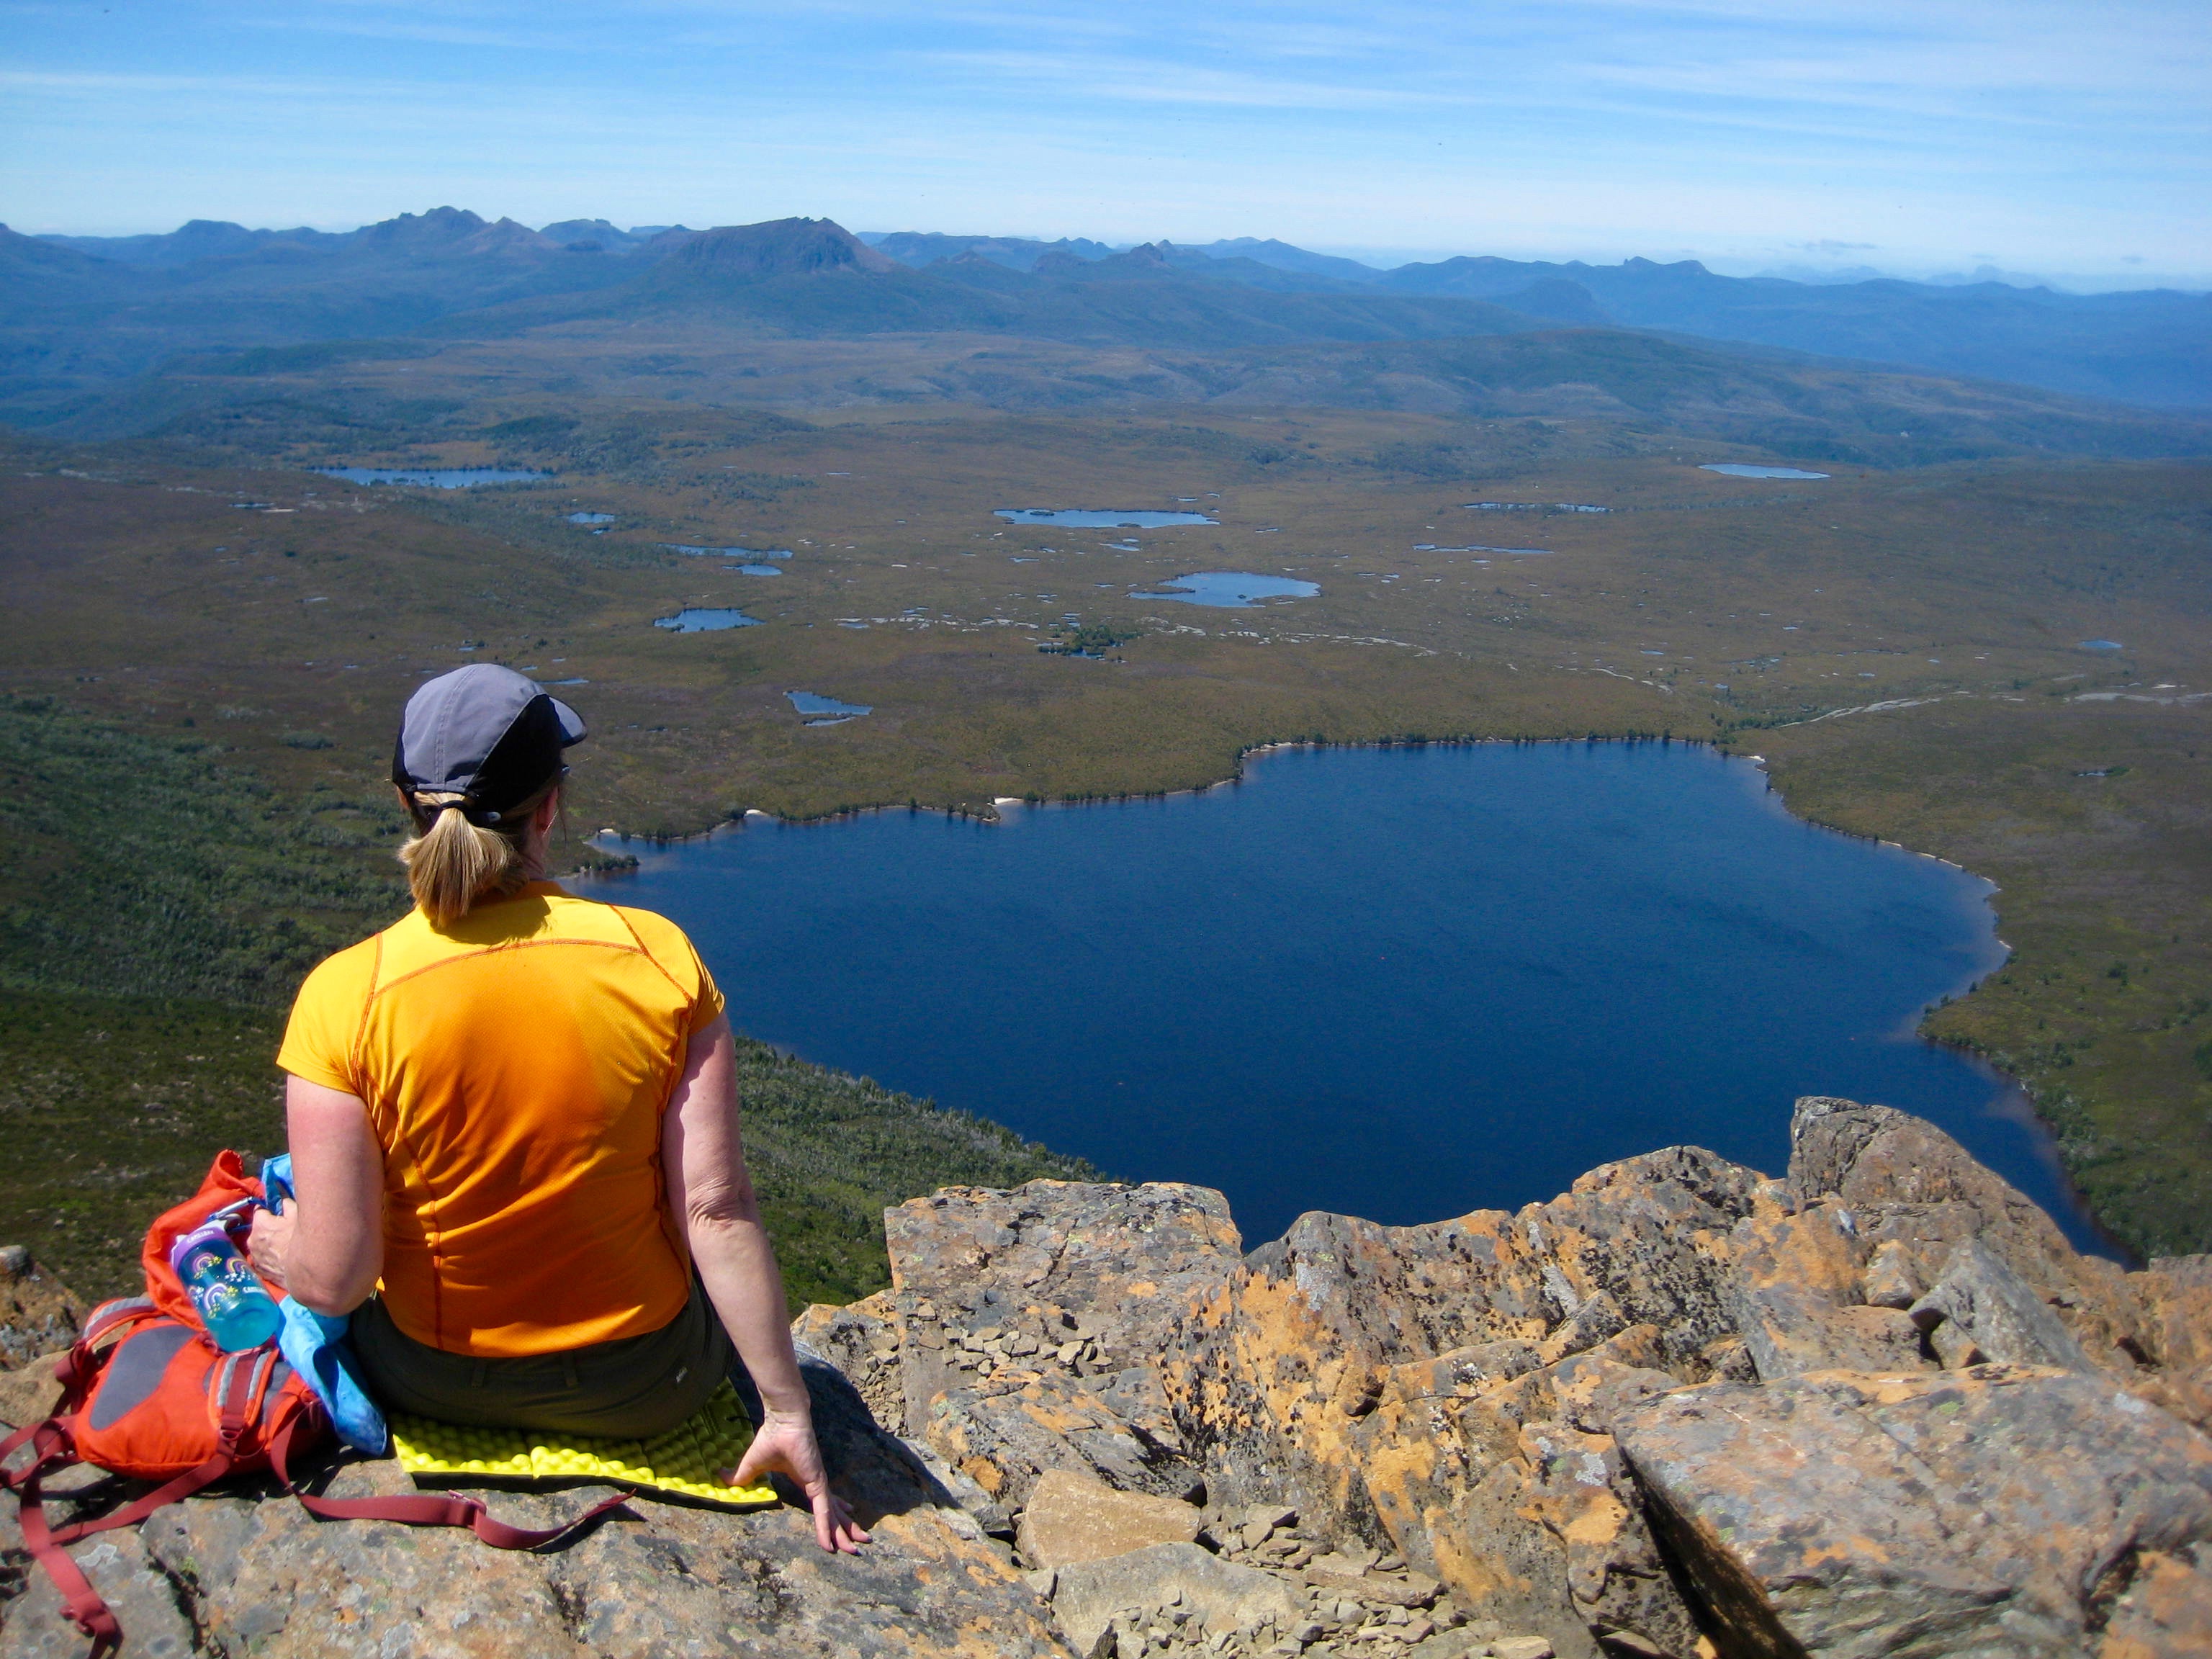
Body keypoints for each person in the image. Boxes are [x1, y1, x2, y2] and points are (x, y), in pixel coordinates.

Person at [246, 663, 866, 1552]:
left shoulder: (346, 996)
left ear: (404, 805)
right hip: (654, 1383)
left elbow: (337, 1279)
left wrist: (283, 1249)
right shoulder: (657, 959)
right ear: (551, 807)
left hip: (436, 1383)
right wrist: (787, 1409)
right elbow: (715, 1209)